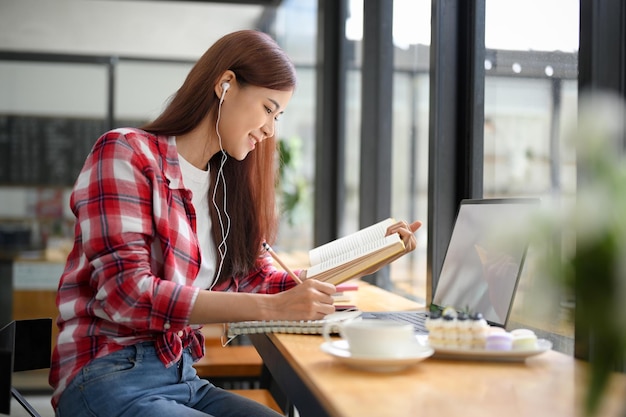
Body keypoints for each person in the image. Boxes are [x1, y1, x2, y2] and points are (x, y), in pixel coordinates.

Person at [48, 29, 422, 417]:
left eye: (278, 116)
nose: (270, 129)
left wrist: (373, 255)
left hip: (181, 378)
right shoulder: (126, 152)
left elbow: (257, 281)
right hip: (107, 376)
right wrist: (275, 309)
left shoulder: (222, 186)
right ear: (226, 84)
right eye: (267, 108)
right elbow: (129, 295)